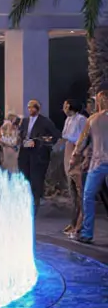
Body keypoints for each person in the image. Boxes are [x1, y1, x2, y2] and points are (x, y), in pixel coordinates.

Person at [75, 90, 108, 244]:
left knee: (88, 196)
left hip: (98, 163)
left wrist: (75, 155)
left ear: (100, 101)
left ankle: (87, 233)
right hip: (98, 163)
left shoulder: (93, 119)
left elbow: (82, 142)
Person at [17, 99, 58, 214]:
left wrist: (40, 142)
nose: (30, 109)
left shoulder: (45, 121)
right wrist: (20, 140)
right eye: (29, 107)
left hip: (38, 153)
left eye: (33, 107)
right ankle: (25, 199)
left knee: (36, 178)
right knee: (25, 175)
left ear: (38, 108)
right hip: (25, 152)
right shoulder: (24, 121)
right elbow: (21, 134)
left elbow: (54, 136)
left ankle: (36, 201)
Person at [60, 99, 89, 235]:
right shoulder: (68, 120)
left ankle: (80, 223)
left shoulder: (81, 119)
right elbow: (65, 134)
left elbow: (83, 137)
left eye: (66, 105)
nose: (64, 108)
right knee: (72, 189)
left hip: (77, 150)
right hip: (68, 149)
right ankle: (73, 221)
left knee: (79, 189)